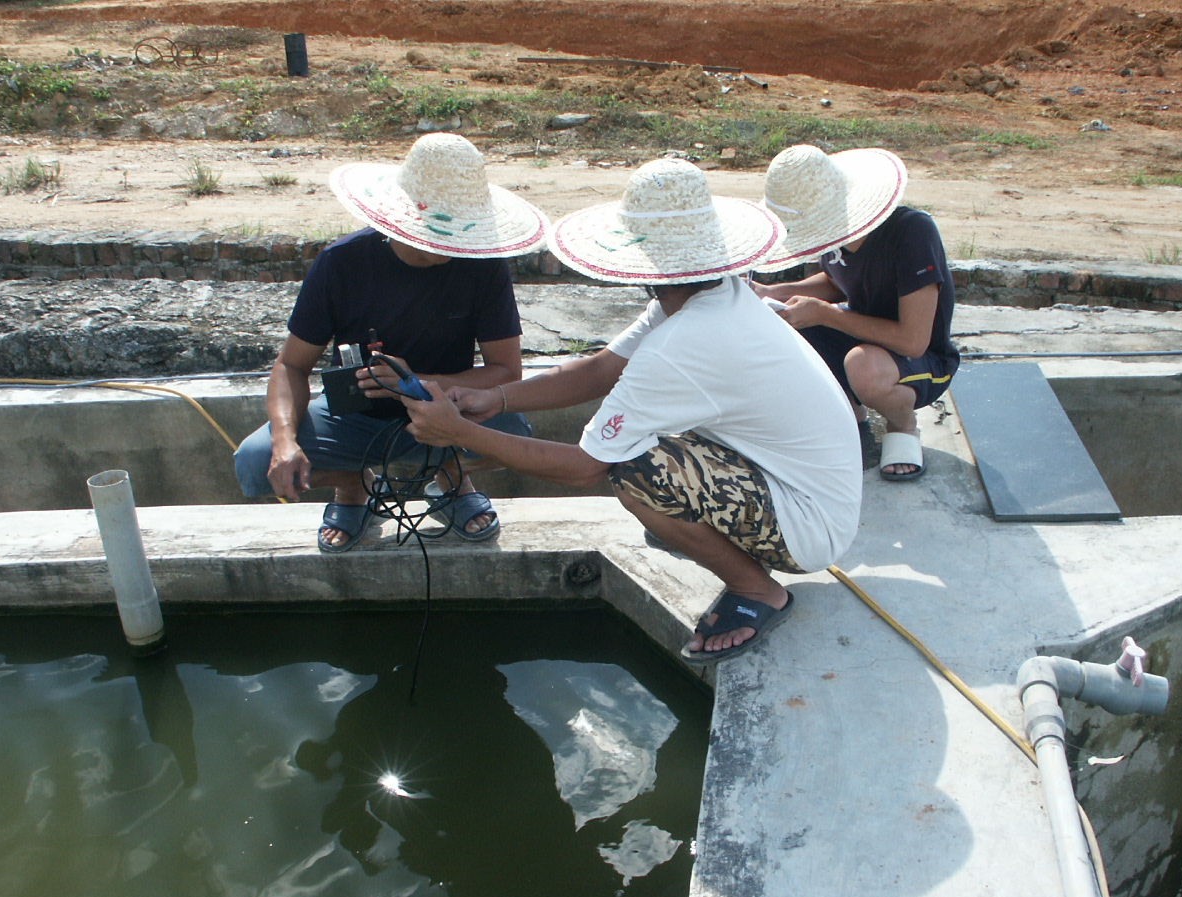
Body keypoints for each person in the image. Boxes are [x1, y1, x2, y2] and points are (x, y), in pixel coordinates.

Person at [397, 158, 862, 664]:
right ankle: (700, 532)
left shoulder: (684, 341)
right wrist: (497, 398)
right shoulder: (711, 296)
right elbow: (601, 370)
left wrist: (459, 431)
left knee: (638, 472)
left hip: (808, 528)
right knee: (643, 446)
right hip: (808, 490)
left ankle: (757, 590)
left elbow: (585, 468)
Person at [233, 133, 550, 551]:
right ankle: (354, 487)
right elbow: (291, 364)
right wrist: (284, 440)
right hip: (354, 416)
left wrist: (413, 382)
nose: (453, 246)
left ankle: (452, 482)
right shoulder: (342, 262)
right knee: (255, 460)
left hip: (447, 407)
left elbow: (506, 372)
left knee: (514, 431)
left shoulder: (483, 267)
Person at [748, 144, 959, 480]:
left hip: (923, 360)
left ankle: (902, 424)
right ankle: (848, 405)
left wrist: (827, 315)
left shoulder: (911, 233)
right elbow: (837, 281)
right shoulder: (836, 238)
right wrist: (774, 293)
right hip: (864, 337)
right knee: (786, 325)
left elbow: (913, 341)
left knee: (863, 366)